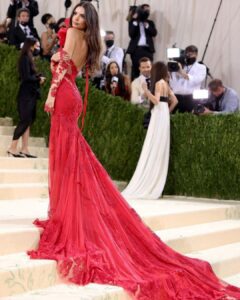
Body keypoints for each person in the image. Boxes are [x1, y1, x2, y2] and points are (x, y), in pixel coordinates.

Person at [27, 3, 240, 300]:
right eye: (74, 13)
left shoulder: (72, 34)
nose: (76, 18)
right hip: (71, 96)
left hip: (63, 95)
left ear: (87, 23)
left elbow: (62, 69)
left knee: (65, 157)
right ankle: (66, 210)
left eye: (81, 16)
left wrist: (50, 95)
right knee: (70, 157)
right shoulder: (83, 38)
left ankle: (65, 214)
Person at [123, 62, 178, 199]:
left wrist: (146, 91)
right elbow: (175, 101)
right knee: (160, 145)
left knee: (154, 143)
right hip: (163, 114)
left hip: (159, 113)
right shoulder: (166, 83)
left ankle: (149, 179)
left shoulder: (159, 83)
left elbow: (157, 100)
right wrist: (167, 112)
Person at [7, 37, 45, 158]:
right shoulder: (24, 58)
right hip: (25, 95)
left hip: (31, 94)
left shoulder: (29, 57)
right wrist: (38, 79)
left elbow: (29, 75)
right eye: (37, 45)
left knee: (28, 121)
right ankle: (12, 148)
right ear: (31, 45)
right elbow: (26, 77)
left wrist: (38, 76)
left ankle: (25, 148)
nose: (38, 48)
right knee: (24, 121)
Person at [170, 45, 207, 113]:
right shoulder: (179, 65)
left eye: (191, 54)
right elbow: (173, 82)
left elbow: (197, 80)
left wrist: (182, 73)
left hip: (191, 98)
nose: (188, 56)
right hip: (176, 97)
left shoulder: (201, 67)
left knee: (190, 119)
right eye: (187, 54)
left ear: (196, 55)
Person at [127, 4, 157, 80]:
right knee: (136, 69)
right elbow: (131, 34)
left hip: (148, 50)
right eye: (145, 9)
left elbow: (154, 33)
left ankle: (149, 86)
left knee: (148, 69)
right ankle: (134, 88)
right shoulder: (133, 22)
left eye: (148, 10)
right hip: (136, 50)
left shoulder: (150, 22)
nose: (147, 11)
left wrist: (147, 25)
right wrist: (135, 21)